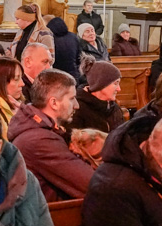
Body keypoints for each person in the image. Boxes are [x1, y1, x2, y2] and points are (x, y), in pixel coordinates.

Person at [8, 69, 96, 201]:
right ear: (54, 103)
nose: (76, 106)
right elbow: (92, 184)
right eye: (71, 99)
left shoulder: (41, 130)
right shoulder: (39, 140)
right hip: (56, 217)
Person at [70, 57, 123, 133]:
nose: (119, 89)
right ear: (101, 84)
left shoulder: (114, 108)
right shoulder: (77, 110)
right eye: (115, 83)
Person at [46, 15, 80, 79]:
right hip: (73, 73)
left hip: (56, 74)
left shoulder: (50, 38)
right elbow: (79, 57)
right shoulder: (73, 36)